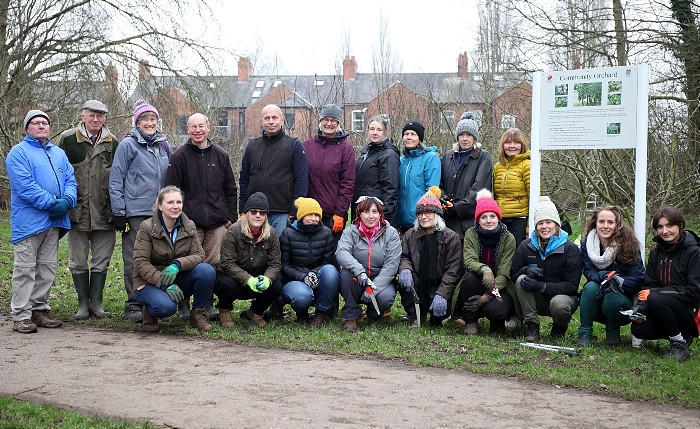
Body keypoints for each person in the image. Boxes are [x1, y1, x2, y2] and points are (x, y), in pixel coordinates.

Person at [7, 110, 77, 333]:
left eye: (44, 123)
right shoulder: (18, 153)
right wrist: (52, 203)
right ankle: (20, 315)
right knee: (25, 269)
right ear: (26, 128)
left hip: (54, 221)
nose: (41, 126)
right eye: (35, 123)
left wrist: (67, 200)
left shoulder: (58, 154)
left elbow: (70, 181)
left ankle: (39, 309)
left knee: (46, 269)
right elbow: (25, 187)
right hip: (29, 222)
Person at [165, 112, 237, 320]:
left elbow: (230, 189)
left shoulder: (221, 155)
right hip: (189, 223)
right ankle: (184, 305)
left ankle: (205, 304)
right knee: (187, 263)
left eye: (201, 126)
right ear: (187, 130)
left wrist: (230, 215)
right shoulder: (179, 156)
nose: (197, 130)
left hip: (216, 223)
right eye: (193, 126)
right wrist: (176, 218)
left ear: (208, 128)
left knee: (212, 265)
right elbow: (171, 190)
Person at [109, 99, 172, 322]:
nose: (149, 122)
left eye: (153, 119)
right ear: (137, 122)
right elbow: (116, 180)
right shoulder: (127, 145)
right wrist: (119, 212)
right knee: (135, 258)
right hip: (135, 212)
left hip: (162, 213)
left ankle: (155, 300)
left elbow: (171, 180)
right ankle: (133, 303)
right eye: (144, 119)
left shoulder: (164, 145)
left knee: (159, 258)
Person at [56, 100, 118, 320]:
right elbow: (58, 174)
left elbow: (118, 178)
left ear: (105, 118)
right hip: (77, 211)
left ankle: (97, 304)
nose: (95, 120)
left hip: (105, 212)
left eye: (100, 116)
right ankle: (83, 304)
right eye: (91, 115)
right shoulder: (68, 139)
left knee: (102, 259)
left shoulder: (114, 143)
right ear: (82, 116)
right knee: (78, 260)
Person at [133, 186, 215, 333]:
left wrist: (178, 264)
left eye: (179, 202)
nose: (175, 207)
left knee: (207, 270)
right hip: (148, 282)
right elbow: (141, 262)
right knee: (166, 308)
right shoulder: (146, 227)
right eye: (170, 202)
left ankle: (197, 315)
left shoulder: (189, 225)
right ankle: (149, 311)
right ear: (160, 205)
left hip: (178, 277)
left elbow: (199, 254)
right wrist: (164, 284)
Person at [630, 206, 700, 362]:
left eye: (669, 225)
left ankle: (679, 345)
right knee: (637, 329)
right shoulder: (655, 253)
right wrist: (640, 310)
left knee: (655, 298)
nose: (664, 231)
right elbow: (648, 285)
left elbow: (694, 291)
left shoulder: (694, 251)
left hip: (691, 312)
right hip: (663, 307)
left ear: (680, 225)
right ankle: (681, 336)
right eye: (660, 227)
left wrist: (656, 293)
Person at [510, 196, 582, 342]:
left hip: (563, 298)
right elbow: (513, 273)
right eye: (540, 223)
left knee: (560, 304)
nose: (545, 227)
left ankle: (559, 327)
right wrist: (526, 270)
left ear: (556, 224)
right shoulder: (525, 246)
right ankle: (532, 325)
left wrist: (541, 286)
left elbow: (571, 285)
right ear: (536, 226)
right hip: (536, 299)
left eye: (549, 222)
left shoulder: (571, 249)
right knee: (521, 280)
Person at [213, 192, 283, 328]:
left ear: (266, 216)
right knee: (227, 284)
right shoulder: (233, 231)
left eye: (262, 213)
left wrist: (267, 278)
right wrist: (247, 279)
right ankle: (224, 310)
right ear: (246, 213)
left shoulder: (272, 234)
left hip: (258, 281)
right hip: (234, 280)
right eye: (254, 211)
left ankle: (255, 312)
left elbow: (275, 264)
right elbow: (227, 263)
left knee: (277, 285)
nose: (258, 215)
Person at [577, 206, 645, 346]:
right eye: (601, 221)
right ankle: (585, 332)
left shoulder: (629, 245)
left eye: (610, 222)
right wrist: (605, 276)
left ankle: (613, 330)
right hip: (596, 295)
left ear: (617, 224)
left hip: (621, 299)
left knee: (611, 296)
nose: (605, 226)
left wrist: (617, 280)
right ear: (595, 223)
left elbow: (638, 280)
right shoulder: (587, 244)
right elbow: (589, 272)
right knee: (589, 287)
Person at [397, 187, 461, 328]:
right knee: (405, 281)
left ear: (436, 214)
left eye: (428, 213)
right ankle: (415, 315)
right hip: (419, 283)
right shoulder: (410, 235)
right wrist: (405, 269)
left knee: (446, 304)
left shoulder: (451, 238)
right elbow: (404, 256)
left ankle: (436, 318)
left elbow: (453, 270)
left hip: (440, 285)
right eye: (420, 213)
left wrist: (442, 294)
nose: (423, 217)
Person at [457, 189, 519, 336]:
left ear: (498, 218)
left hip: (500, 287)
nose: (489, 220)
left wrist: (487, 297)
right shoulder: (471, 234)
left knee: (495, 310)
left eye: (492, 216)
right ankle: (471, 323)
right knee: (470, 278)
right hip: (478, 280)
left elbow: (504, 274)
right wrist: (485, 269)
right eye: (484, 217)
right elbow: (469, 261)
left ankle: (497, 323)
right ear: (478, 220)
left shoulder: (508, 238)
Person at [239, 104, 308, 235]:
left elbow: (301, 180)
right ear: (261, 121)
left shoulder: (294, 145)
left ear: (282, 120)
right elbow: (244, 179)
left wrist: (294, 211)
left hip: (281, 213)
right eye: (267, 118)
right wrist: (243, 208)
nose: (271, 122)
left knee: (279, 253)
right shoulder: (252, 146)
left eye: (275, 117)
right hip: (254, 212)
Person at [336, 196, 401, 332]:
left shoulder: (391, 233)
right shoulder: (350, 231)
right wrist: (359, 270)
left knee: (385, 298)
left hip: (381, 278)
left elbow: (392, 264)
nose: (371, 216)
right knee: (346, 276)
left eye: (375, 212)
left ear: (380, 214)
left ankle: (374, 313)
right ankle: (351, 316)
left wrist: (374, 288)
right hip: (357, 277)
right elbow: (342, 252)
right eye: (366, 212)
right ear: (359, 214)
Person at [274, 197, 339, 328]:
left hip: (317, 276)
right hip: (295, 279)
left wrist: (313, 274)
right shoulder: (287, 234)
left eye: (316, 215)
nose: (314, 219)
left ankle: (321, 312)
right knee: (302, 297)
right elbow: (284, 266)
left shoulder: (326, 233)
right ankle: (301, 312)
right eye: (309, 215)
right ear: (301, 216)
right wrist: (304, 277)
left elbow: (327, 261)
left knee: (331, 271)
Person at [303, 104, 356, 247]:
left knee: (329, 258)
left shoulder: (346, 149)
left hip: (332, 216)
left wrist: (340, 213)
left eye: (333, 120)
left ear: (339, 124)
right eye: (325, 119)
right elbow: (299, 178)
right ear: (320, 122)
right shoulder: (306, 145)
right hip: (308, 213)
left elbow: (348, 184)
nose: (329, 123)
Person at [440, 111, 493, 239]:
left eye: (469, 135)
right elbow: (438, 183)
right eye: (462, 134)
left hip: (468, 224)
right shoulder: (447, 156)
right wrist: (445, 202)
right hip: (446, 222)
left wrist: (458, 208)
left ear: (474, 137)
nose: (465, 138)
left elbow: (480, 189)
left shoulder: (482, 157)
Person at [353, 115, 400, 225]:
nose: (375, 132)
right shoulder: (366, 152)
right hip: (362, 208)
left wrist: (384, 216)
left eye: (379, 130)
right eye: (372, 129)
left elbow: (390, 188)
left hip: (375, 212)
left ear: (385, 132)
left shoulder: (389, 154)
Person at [396, 121, 441, 232]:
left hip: (421, 219)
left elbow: (432, 190)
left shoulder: (430, 158)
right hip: (401, 220)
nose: (409, 137)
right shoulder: (400, 160)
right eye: (406, 134)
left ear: (419, 138)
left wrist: (423, 213)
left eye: (413, 134)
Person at [493, 128, 531, 247]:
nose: (512, 146)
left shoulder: (527, 165)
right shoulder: (498, 166)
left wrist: (530, 226)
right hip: (500, 219)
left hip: (519, 219)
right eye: (508, 142)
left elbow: (534, 197)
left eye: (516, 142)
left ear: (522, 145)